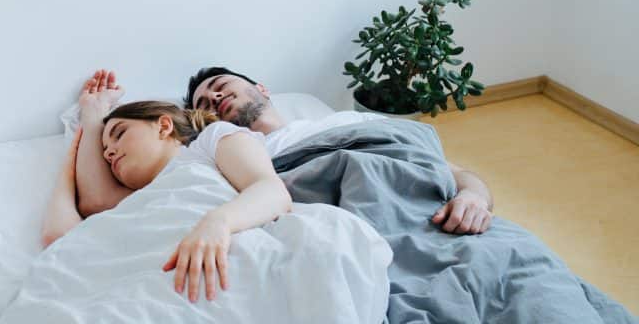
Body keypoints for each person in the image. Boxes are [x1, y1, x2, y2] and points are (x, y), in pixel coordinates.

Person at [42, 76, 293, 303]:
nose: (108, 153)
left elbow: (272, 191)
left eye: (119, 134)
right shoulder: (141, 200)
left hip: (225, 271)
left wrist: (218, 222)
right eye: (105, 154)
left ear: (163, 126)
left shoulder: (209, 143)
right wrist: (87, 124)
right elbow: (65, 232)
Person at [184, 66, 494, 235]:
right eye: (203, 103)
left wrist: (473, 198)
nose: (214, 95)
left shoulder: (353, 121)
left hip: (445, 221)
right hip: (367, 238)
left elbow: (454, 172)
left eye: (220, 84)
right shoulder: (247, 162)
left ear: (262, 89)